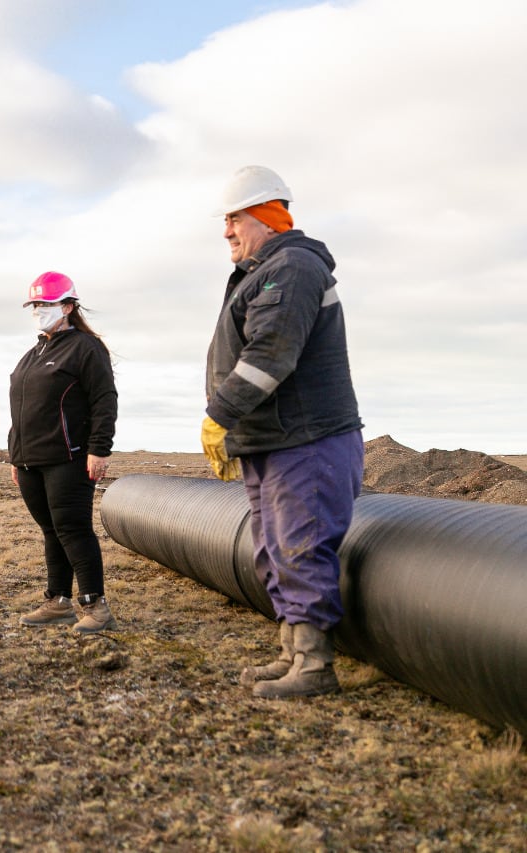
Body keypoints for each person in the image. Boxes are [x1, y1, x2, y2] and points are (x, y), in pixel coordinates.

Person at [202, 165, 364, 699]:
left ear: (267, 217)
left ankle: (315, 667)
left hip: (306, 439)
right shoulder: (262, 271)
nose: (226, 231)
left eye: (233, 219)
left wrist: (220, 415)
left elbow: (271, 355)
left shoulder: (291, 266)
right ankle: (292, 650)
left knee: (301, 546)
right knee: (272, 549)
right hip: (272, 439)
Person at [8, 272, 119, 634]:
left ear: (69, 306)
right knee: (51, 530)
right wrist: (15, 455)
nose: (39, 311)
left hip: (68, 458)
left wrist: (99, 449)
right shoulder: (34, 352)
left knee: (73, 529)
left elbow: (105, 400)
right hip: (30, 460)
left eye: (46, 304)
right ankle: (58, 602)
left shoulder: (86, 348)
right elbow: (23, 407)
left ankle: (96, 607)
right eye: (35, 305)